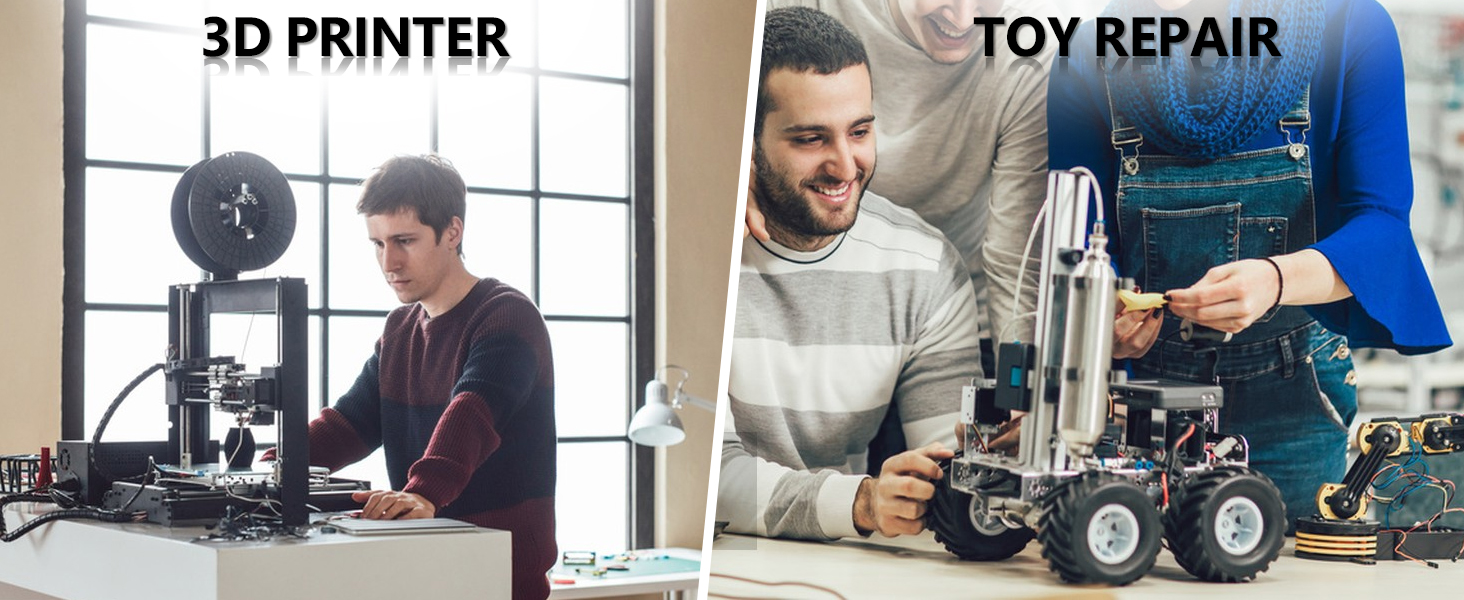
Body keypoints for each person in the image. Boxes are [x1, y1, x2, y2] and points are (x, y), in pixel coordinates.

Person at [1048, 0, 1453, 528]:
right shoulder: (1087, 52)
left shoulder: (1350, 27)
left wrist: (1276, 280)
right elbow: (1080, 243)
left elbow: (1382, 226)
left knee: (1293, 565)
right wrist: (1102, 324)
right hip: (1142, 404)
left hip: (1295, 399)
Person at [719, 6, 983, 541]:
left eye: (859, 131)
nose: (845, 166)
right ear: (747, 143)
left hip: (843, 563)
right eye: (810, 139)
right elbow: (714, 481)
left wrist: (989, 462)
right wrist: (860, 502)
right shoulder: (708, 256)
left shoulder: (925, 267)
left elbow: (952, 466)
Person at [295, 155, 557, 599]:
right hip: (426, 572)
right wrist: (274, 468)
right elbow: (348, 423)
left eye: (404, 241)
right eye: (378, 244)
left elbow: (471, 414)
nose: (389, 262)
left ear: (452, 232)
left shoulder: (507, 315)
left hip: (499, 581)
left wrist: (424, 492)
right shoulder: (400, 329)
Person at [753, 0, 1058, 349]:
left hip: (946, 323)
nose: (964, 18)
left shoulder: (1028, 54)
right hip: (782, 301)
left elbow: (1016, 263)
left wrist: (1017, 372)